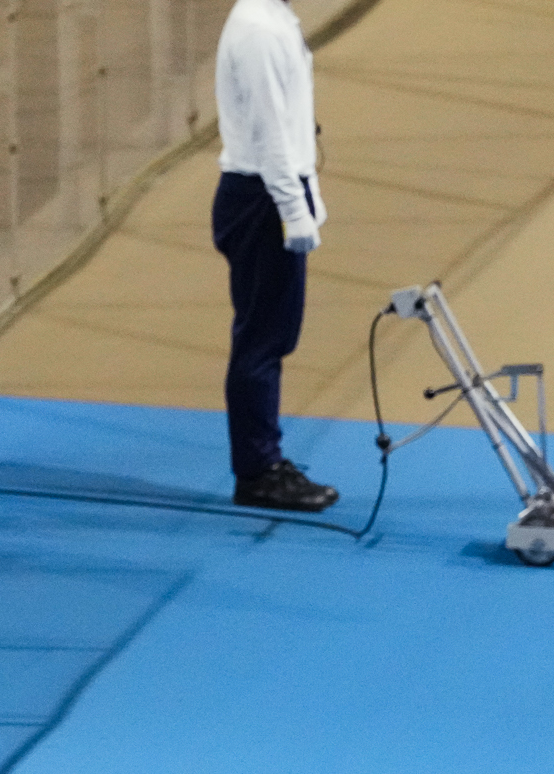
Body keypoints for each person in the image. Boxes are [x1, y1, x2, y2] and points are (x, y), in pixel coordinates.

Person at [213, 0, 339, 512]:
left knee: (273, 334)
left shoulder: (278, 20)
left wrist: (309, 191)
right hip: (261, 198)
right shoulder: (259, 31)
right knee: (262, 338)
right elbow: (269, 131)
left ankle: (263, 459)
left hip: (272, 192)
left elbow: (292, 121)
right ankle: (258, 470)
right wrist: (293, 206)